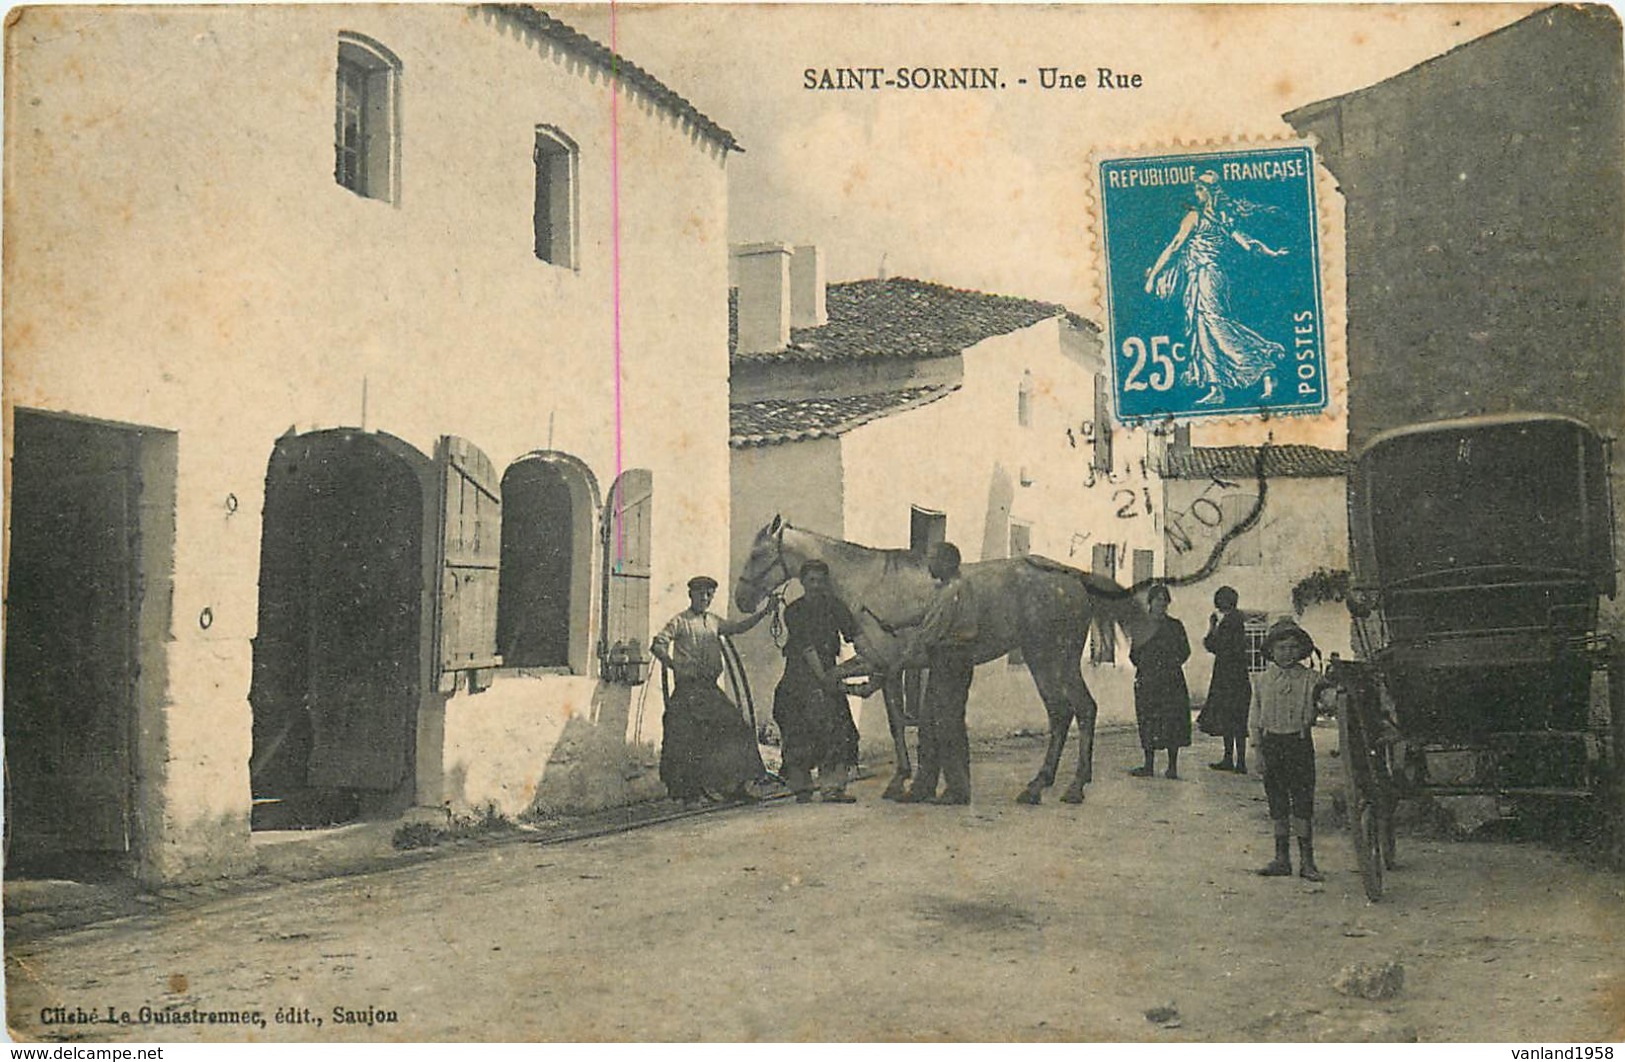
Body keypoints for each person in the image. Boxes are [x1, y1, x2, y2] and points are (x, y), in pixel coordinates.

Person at [1144, 171, 1289, 406]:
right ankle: (1216, 387)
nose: (1196, 193)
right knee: (1204, 328)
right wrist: (1272, 252)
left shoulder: (1195, 217)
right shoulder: (1223, 218)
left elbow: (1174, 246)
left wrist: (1153, 276)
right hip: (1208, 277)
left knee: (1214, 325)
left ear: (1207, 191)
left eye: (1199, 189)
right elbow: (1249, 244)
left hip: (1206, 275)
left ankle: (1262, 363)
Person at [650, 575, 773, 806]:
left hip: (709, 690)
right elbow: (658, 644)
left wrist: (764, 613)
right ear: (691, 595)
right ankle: (689, 794)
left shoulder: (715, 622)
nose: (704, 598)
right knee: (685, 736)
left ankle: (737, 786)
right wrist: (671, 662)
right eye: (700, 593)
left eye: (709, 594)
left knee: (737, 727)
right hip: (687, 691)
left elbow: (738, 627)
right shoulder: (680, 621)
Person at [773, 560, 861, 804]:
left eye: (820, 580)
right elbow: (806, 646)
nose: (816, 585)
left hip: (828, 670)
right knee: (798, 728)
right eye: (811, 580)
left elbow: (855, 634)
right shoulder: (794, 610)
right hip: (800, 674)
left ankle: (832, 787)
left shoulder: (835, 607)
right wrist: (827, 680)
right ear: (803, 582)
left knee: (839, 728)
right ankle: (801, 786)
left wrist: (855, 667)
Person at [900, 542, 978, 806]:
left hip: (951, 659)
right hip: (945, 660)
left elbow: (930, 630)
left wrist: (902, 659)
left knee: (947, 724)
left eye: (932, 560)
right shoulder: (945, 589)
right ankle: (925, 785)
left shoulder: (953, 592)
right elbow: (924, 617)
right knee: (929, 722)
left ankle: (958, 789)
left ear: (946, 563)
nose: (929, 566)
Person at [1249, 617, 1325, 882]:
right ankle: (1282, 858)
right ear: (1271, 651)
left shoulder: (1311, 679)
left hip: (1299, 744)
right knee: (1278, 802)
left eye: (1293, 647)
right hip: (1272, 745)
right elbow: (1254, 718)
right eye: (1281, 648)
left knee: (1302, 802)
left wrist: (1327, 696)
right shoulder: (1260, 681)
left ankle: (1307, 861)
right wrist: (1258, 751)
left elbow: (1324, 701)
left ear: (1301, 650)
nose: (1287, 653)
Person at [1128, 584, 1191, 779]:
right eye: (1158, 599)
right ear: (1150, 602)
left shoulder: (1175, 625)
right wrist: (1148, 668)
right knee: (1148, 721)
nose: (1161, 603)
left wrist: (1169, 665)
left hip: (1171, 680)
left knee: (1173, 721)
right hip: (1148, 681)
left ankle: (1172, 767)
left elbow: (1185, 651)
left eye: (1165, 600)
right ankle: (1148, 765)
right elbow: (1134, 654)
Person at [1197, 586, 1252, 773]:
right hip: (1233, 675)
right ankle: (1233, 760)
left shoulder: (1231, 621)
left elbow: (1214, 645)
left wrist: (1212, 627)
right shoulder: (1235, 619)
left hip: (1229, 676)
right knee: (1233, 719)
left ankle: (1237, 761)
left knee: (1233, 719)